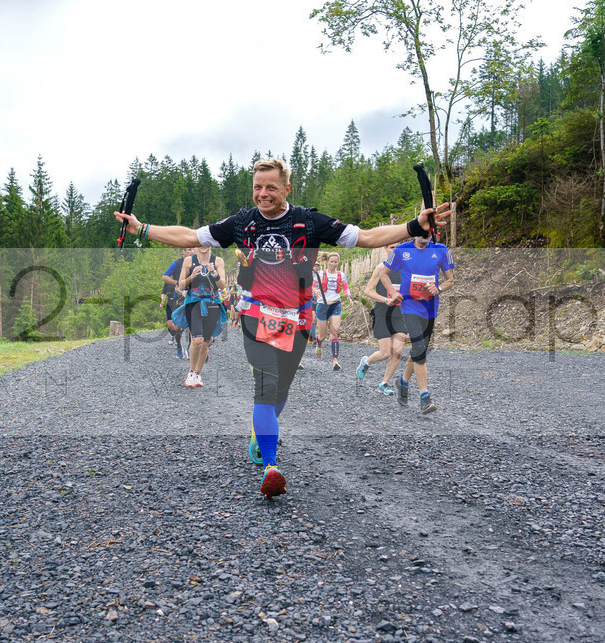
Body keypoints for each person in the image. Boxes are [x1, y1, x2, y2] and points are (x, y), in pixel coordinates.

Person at [115, 157, 450, 498]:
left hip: (300, 317)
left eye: (271, 187)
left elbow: (366, 237)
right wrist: (142, 229)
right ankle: (271, 466)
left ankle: (259, 432)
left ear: (286, 188)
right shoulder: (242, 222)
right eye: (258, 187)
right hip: (255, 314)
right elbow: (187, 235)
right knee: (266, 384)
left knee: (281, 391)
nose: (263, 194)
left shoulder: (309, 220)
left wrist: (412, 226)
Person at [382, 235, 455, 414]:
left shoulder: (440, 250)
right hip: (409, 306)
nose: (424, 236)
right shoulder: (401, 250)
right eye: (420, 232)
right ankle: (425, 396)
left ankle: (403, 382)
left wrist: (438, 289)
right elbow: (384, 274)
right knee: (419, 348)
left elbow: (450, 280)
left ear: (432, 233)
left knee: (417, 351)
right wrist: (392, 292)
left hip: (429, 308)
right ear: (415, 232)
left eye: (427, 233)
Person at [356, 243, 407, 395]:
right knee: (385, 353)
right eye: (391, 247)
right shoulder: (380, 268)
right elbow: (368, 291)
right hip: (383, 313)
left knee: (397, 352)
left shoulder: (406, 268)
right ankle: (367, 361)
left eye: (398, 247)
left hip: (400, 314)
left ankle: (383, 384)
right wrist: (386, 299)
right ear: (385, 249)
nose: (395, 249)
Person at [174, 245, 226, 388]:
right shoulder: (189, 261)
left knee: (206, 342)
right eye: (200, 243)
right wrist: (192, 276)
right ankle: (191, 372)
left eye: (206, 243)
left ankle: (198, 373)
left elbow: (222, 285)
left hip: (213, 303)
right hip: (193, 303)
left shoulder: (218, 261)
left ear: (210, 245)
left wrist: (214, 273)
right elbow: (181, 285)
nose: (203, 246)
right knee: (196, 339)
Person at [313, 252, 354, 370]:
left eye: (335, 262)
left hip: (335, 305)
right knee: (322, 335)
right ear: (327, 262)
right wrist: (315, 291)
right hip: (322, 305)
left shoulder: (341, 275)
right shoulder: (320, 274)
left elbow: (346, 287)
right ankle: (319, 343)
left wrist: (349, 297)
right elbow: (312, 286)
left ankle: (335, 361)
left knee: (334, 333)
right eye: (331, 261)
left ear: (338, 262)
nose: (333, 264)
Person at [161, 247, 193, 358]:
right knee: (177, 327)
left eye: (192, 249)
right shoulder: (176, 264)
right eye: (189, 249)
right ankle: (179, 345)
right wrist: (177, 283)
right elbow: (164, 277)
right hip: (178, 297)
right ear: (183, 252)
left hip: (193, 296)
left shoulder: (196, 262)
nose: (191, 251)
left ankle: (190, 348)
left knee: (193, 325)